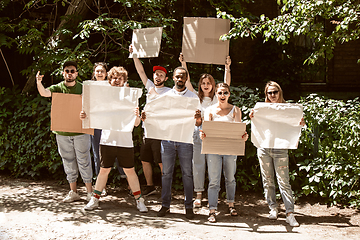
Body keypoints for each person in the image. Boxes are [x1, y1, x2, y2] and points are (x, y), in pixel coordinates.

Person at [81, 66, 147, 212]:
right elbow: (92, 115)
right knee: (104, 170)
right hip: (107, 140)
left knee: (130, 171)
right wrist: (85, 116)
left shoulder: (130, 97)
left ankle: (139, 200)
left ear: (124, 80)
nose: (116, 80)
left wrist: (137, 115)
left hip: (125, 141)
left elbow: (136, 124)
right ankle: (94, 199)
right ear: (109, 80)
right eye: (114, 78)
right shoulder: (103, 98)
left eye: (119, 78)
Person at [249, 81, 305, 227]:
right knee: (267, 180)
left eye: (275, 92)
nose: (272, 95)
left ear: (280, 92)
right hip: (264, 147)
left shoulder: (288, 109)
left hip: (280, 148)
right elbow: (256, 125)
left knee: (283, 181)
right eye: (269, 93)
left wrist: (301, 123)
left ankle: (289, 213)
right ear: (266, 94)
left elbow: (297, 125)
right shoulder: (262, 108)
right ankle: (273, 208)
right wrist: (253, 117)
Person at [148, 66, 201, 219]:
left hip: (185, 140)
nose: (179, 79)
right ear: (173, 78)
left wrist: (198, 119)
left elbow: (197, 123)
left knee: (187, 174)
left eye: (182, 77)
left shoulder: (193, 97)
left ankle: (189, 207)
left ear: (186, 79)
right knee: (166, 174)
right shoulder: (165, 96)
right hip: (168, 140)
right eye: (177, 76)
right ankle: (165, 206)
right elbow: (157, 116)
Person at [179, 53, 231, 207]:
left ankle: (213, 195)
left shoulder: (217, 97)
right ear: (200, 85)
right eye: (203, 83)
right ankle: (199, 194)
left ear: (213, 85)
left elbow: (226, 83)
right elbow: (187, 81)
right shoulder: (196, 97)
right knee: (198, 163)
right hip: (198, 132)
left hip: (214, 133)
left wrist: (227, 67)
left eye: (209, 82)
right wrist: (183, 63)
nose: (206, 85)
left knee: (213, 164)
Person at [36, 61, 93, 203]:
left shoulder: (84, 88)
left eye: (72, 71)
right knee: (68, 161)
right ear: (63, 73)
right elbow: (44, 93)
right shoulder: (58, 87)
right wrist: (38, 82)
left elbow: (93, 106)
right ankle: (73, 192)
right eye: (67, 71)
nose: (69, 73)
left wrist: (86, 114)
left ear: (76, 73)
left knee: (84, 160)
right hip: (62, 133)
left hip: (81, 132)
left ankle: (90, 193)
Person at [200, 83, 248, 223]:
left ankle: (231, 205)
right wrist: (203, 135)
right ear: (216, 94)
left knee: (230, 178)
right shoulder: (209, 110)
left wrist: (243, 136)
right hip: (213, 150)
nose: (222, 96)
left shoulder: (235, 110)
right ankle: (212, 210)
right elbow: (207, 130)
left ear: (229, 94)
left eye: (225, 93)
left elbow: (239, 131)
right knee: (214, 181)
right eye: (220, 93)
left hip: (230, 149)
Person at [130, 45, 171, 196]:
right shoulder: (150, 87)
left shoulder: (170, 92)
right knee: (145, 160)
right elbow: (141, 71)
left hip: (161, 134)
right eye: (156, 74)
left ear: (166, 78)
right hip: (147, 132)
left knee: (161, 162)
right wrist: (134, 55)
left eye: (161, 75)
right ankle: (150, 186)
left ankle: (166, 189)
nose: (157, 76)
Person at [91, 62, 128, 196]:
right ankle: (101, 187)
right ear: (94, 73)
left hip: (116, 126)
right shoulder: (90, 87)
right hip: (97, 125)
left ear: (106, 74)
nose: (100, 73)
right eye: (97, 71)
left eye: (102, 71)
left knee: (121, 153)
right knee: (98, 156)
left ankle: (128, 181)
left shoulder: (116, 86)